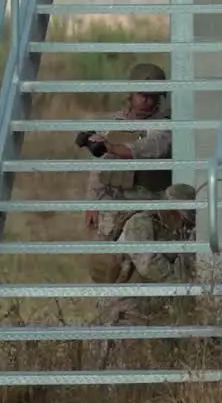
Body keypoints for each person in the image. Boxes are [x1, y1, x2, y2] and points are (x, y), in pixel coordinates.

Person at [77, 62, 187, 324]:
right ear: (131, 93)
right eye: (142, 94)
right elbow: (99, 168)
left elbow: (150, 148)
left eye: (152, 96)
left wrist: (113, 147)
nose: (147, 101)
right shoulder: (113, 123)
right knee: (107, 268)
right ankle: (110, 321)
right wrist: (92, 203)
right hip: (111, 207)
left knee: (142, 264)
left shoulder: (163, 126)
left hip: (145, 207)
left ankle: (168, 305)